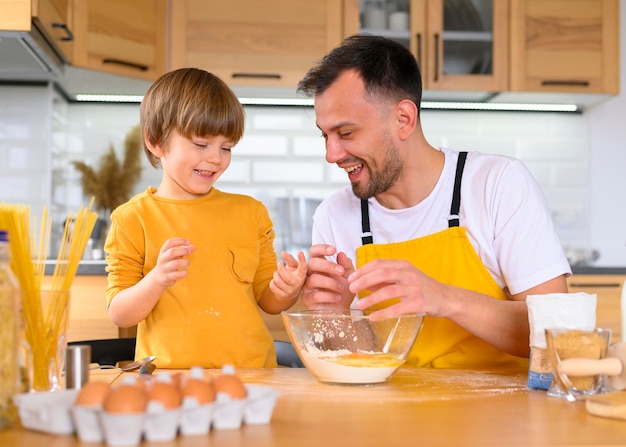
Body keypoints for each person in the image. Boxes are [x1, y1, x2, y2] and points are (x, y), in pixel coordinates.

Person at [296, 35, 571, 369]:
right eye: (325, 135)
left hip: (502, 415)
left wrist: (445, 298)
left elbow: (557, 334)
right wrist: (335, 317)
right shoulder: (334, 216)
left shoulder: (497, 183)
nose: (331, 154)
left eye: (347, 133)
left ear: (404, 120)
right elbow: (359, 360)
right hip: (390, 415)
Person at [104, 68, 306, 369]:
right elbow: (120, 314)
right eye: (201, 144)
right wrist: (157, 279)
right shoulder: (132, 219)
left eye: (226, 147)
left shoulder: (250, 213)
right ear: (156, 141)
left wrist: (287, 289)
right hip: (170, 380)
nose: (216, 158)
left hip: (252, 375)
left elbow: (269, 301)